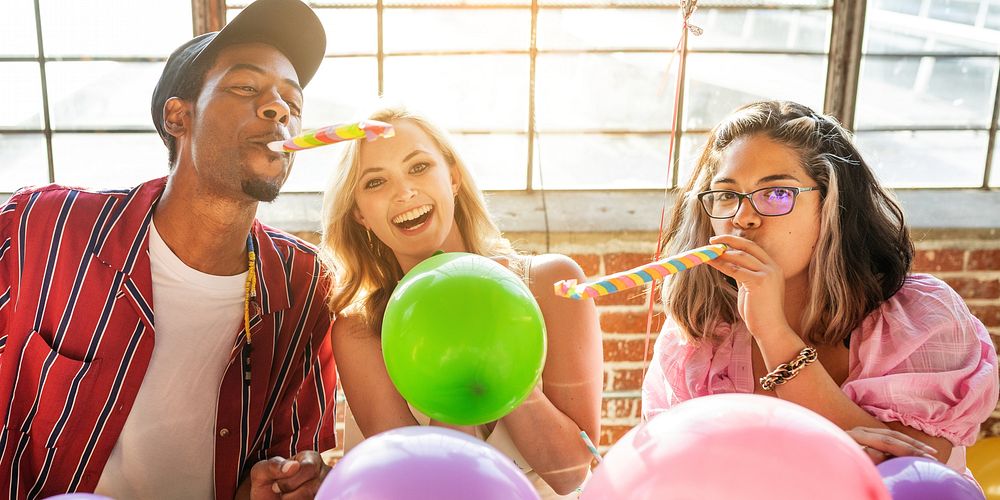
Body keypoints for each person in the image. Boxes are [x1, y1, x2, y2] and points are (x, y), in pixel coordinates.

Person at [0, 1, 338, 498]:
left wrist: (281, 484)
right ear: (178, 117)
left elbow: (294, 452)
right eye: (246, 88)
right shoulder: (46, 230)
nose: (279, 109)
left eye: (293, 101)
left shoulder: (306, 286)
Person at [641, 100, 999, 483]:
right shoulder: (698, 335)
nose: (743, 218)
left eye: (776, 193)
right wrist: (825, 451)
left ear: (832, 204)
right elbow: (676, 474)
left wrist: (773, 333)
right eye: (727, 195)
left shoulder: (920, 317)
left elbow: (914, 471)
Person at [320, 105, 604, 498]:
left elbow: (572, 473)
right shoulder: (360, 331)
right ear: (360, 216)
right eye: (375, 183)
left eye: (418, 167)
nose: (404, 192)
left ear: (452, 177)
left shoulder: (553, 283)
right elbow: (420, 491)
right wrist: (450, 356)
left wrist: (501, 360)